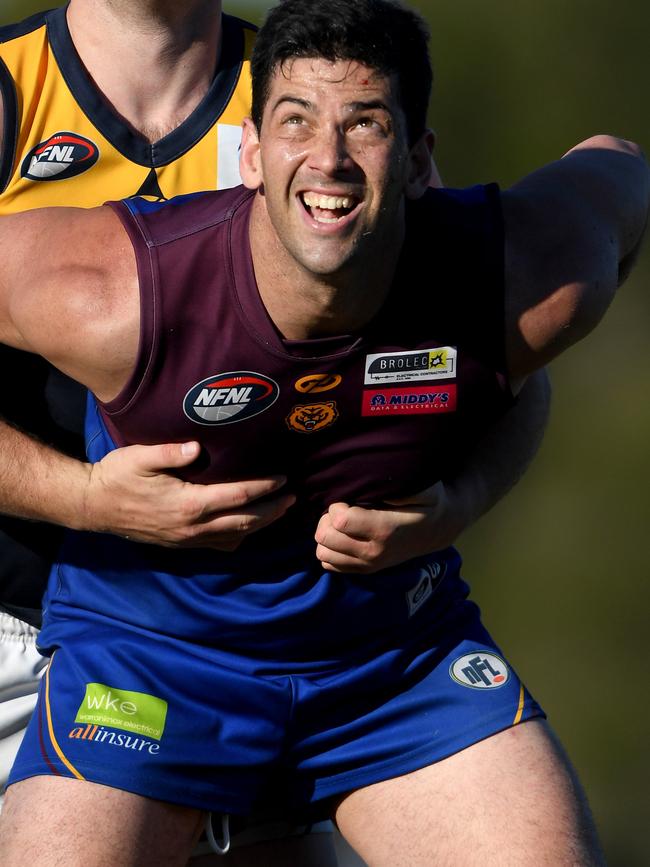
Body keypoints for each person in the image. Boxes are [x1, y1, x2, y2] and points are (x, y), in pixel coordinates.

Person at [3, 0, 643, 862]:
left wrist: (463, 496)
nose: (329, 159)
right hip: (128, 650)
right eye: (299, 126)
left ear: (416, 158)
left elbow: (591, 208)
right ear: (256, 154)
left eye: (365, 127)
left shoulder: (492, 255)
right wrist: (83, 495)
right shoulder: (103, 279)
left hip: (382, 653)